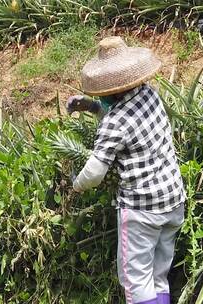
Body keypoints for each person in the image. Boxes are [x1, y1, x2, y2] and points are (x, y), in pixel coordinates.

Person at [66, 36, 186, 304]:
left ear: (110, 90)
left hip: (142, 211)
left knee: (136, 282)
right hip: (173, 201)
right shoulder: (150, 94)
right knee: (158, 276)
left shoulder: (115, 123)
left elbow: (95, 171)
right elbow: (129, 123)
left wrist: (76, 184)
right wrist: (92, 106)